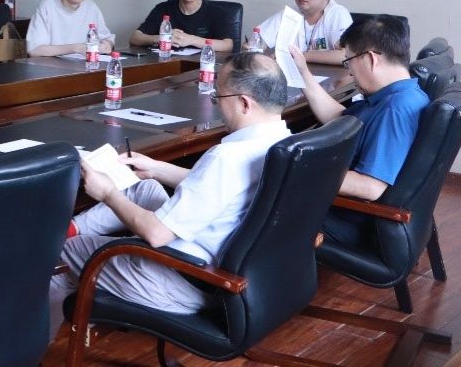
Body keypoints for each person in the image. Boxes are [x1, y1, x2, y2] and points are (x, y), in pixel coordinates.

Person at [48, 53, 290, 340]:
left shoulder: (227, 157)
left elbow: (157, 234)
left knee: (56, 254)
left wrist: (107, 192)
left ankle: (30, 350)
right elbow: (221, 190)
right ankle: (71, 228)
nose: (217, 104)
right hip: (225, 268)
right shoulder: (284, 144)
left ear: (244, 103)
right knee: (146, 188)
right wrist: (156, 168)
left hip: (186, 279)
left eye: (218, 96)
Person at [287, 15, 428, 244]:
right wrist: (303, 73)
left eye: (349, 61)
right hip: (341, 205)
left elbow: (370, 186)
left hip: (346, 218)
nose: (350, 72)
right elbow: (340, 120)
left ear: (371, 59)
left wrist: (295, 171)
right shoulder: (400, 94)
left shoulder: (395, 109)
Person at [254, 0, 352, 64]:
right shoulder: (288, 15)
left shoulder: (337, 14)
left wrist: (300, 56)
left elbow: (346, 55)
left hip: (327, 74)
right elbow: (256, 43)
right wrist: (252, 47)